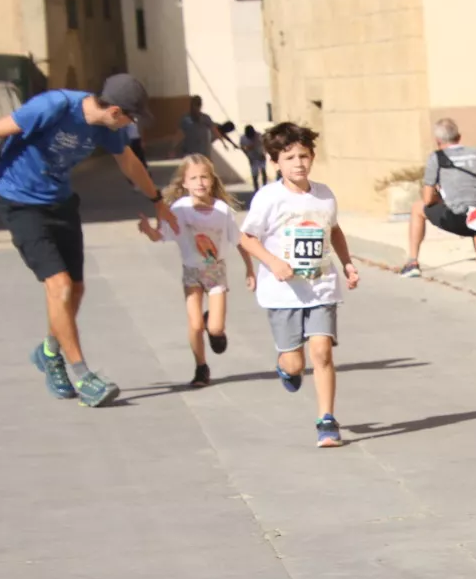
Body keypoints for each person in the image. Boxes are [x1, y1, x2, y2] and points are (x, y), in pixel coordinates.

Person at [0, 74, 175, 408]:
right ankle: (82, 374)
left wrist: (157, 201)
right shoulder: (54, 106)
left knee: (76, 288)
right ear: (116, 111)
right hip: (19, 201)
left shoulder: (107, 129)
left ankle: (49, 352)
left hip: (59, 202)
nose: (131, 124)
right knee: (59, 285)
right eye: (131, 117)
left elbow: (128, 160)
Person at [239, 122, 360, 448]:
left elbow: (333, 230)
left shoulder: (324, 195)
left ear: (312, 157)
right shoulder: (268, 197)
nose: (298, 163)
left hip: (321, 286)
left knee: (321, 352)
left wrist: (347, 263)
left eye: (303, 155)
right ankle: (286, 368)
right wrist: (273, 262)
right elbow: (247, 238)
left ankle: (326, 420)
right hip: (283, 292)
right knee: (295, 363)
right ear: (275, 161)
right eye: (289, 157)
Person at [137, 154, 254, 388]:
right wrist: (148, 230)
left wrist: (250, 269)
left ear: (212, 180)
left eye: (204, 177)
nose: (200, 182)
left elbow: (240, 241)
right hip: (191, 271)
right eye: (194, 178)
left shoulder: (222, 210)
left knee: (215, 328)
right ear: (184, 183)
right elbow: (161, 235)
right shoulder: (179, 209)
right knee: (195, 324)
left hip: (215, 270)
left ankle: (212, 323)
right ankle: (201, 367)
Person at [399, 118, 476, 277]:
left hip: (460, 219)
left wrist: (442, 199)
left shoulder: (436, 158)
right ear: (459, 137)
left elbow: (427, 199)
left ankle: (412, 262)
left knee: (418, 208)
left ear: (438, 141)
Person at [240, 125, 268, 189]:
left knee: (263, 171)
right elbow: (242, 148)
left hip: (260, 156)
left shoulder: (258, 135)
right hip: (252, 157)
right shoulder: (243, 138)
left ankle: (265, 187)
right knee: (254, 174)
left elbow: (265, 144)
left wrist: (264, 153)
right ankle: (256, 189)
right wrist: (248, 156)